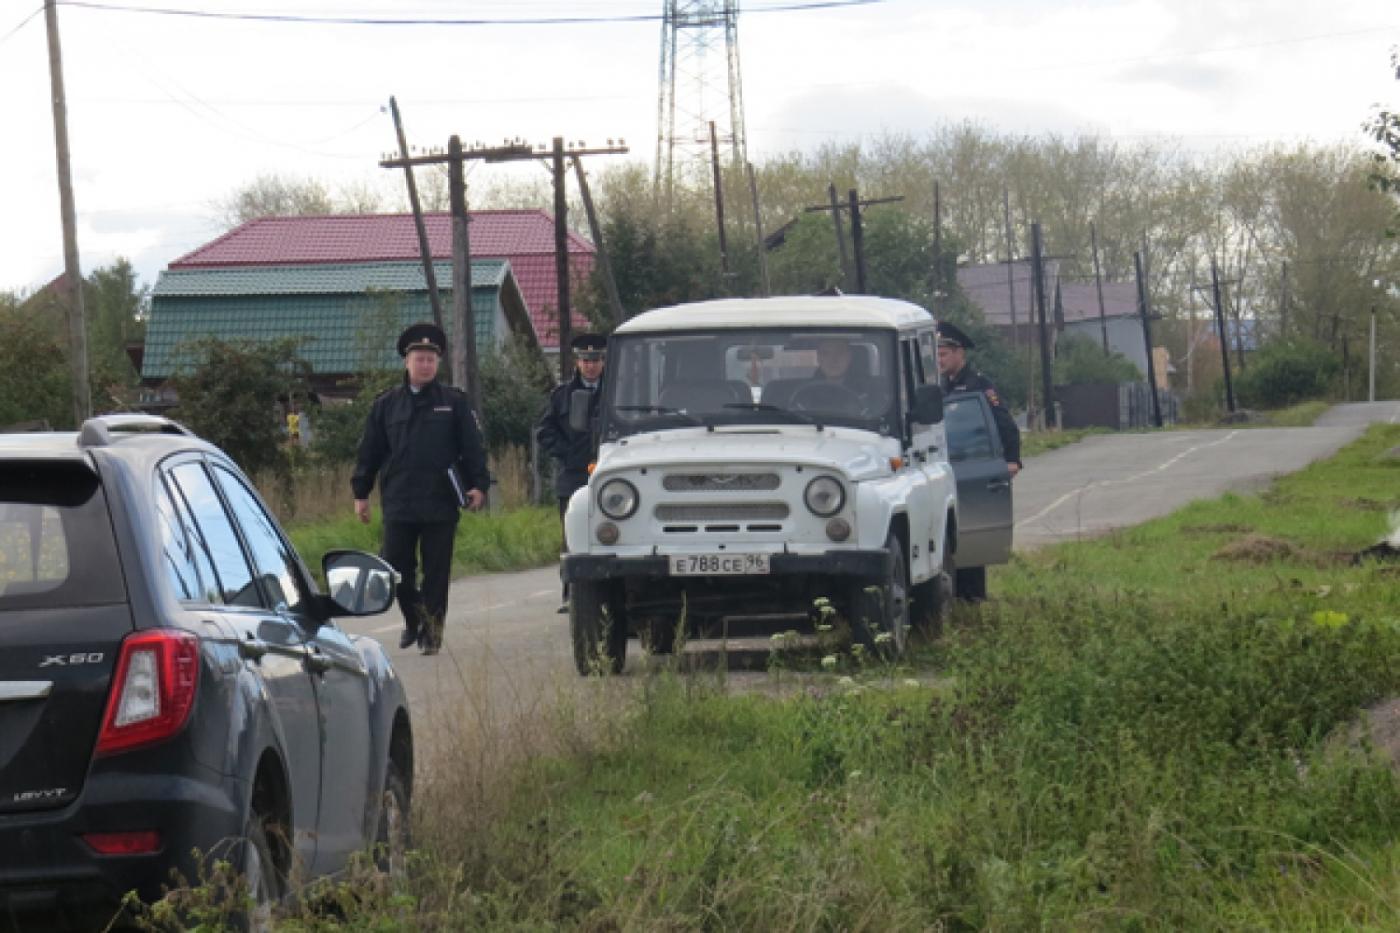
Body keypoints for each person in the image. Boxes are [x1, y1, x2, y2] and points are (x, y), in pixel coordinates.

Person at [351, 322, 490, 654]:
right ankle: (413, 618)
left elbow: (472, 447)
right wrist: (361, 493)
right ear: (406, 362)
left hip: (440, 501)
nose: (425, 365)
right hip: (399, 499)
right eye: (419, 359)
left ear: (437, 363)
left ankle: (432, 633)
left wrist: (479, 485)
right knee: (395, 568)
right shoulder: (386, 405)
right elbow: (369, 450)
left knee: (436, 573)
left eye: (430, 359)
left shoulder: (454, 402)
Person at [936, 320, 1021, 601]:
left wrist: (1012, 460)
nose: (940, 359)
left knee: (971, 536)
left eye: (944, 353)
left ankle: (972, 599)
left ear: (960, 353)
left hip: (971, 467)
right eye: (937, 353)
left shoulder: (979, 386)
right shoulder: (939, 387)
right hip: (946, 469)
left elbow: (1003, 423)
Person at [536, 333, 606, 612]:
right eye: (586, 360)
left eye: (596, 360)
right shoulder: (561, 395)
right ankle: (571, 594)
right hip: (573, 474)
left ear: (603, 362)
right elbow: (545, 431)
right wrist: (565, 452)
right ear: (577, 362)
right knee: (572, 536)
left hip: (608, 471)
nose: (590, 366)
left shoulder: (615, 391)